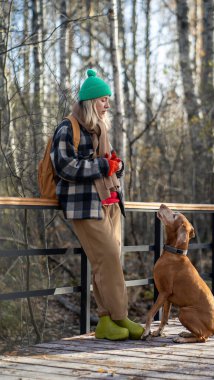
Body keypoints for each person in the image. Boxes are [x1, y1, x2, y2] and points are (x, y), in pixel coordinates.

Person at [50, 69, 144, 340]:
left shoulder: (100, 129)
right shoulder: (68, 127)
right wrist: (103, 165)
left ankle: (106, 322)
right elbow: (65, 166)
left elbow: (110, 163)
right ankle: (121, 316)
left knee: (108, 261)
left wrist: (118, 165)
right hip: (84, 205)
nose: (108, 104)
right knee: (109, 259)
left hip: (110, 202)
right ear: (91, 101)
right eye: (104, 99)